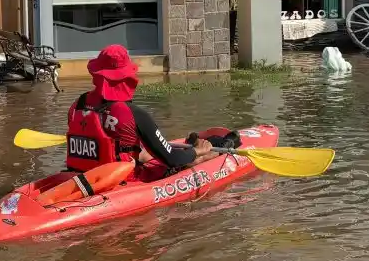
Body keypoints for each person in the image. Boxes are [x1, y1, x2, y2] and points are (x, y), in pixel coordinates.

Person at [65, 44, 240, 179]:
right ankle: (222, 148)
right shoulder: (134, 114)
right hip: (121, 180)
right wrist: (197, 151)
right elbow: (172, 159)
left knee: (144, 154)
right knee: (190, 160)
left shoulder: (77, 105)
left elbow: (106, 141)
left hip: (82, 175)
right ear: (126, 78)